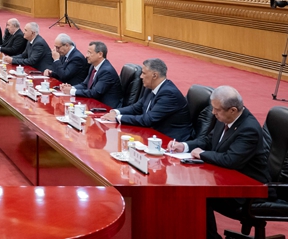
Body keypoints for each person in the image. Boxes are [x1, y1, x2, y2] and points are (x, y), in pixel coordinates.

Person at [167, 86, 271, 239]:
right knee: (186, 189)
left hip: (248, 190)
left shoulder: (249, 129)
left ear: (233, 110)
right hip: (226, 180)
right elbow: (208, 140)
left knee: (197, 195)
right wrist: (184, 146)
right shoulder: (225, 118)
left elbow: (230, 160)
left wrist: (202, 154)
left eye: (217, 110)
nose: (213, 113)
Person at [101, 58, 193, 140]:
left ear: (154, 75)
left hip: (171, 140)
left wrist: (118, 118)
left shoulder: (169, 94)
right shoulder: (150, 87)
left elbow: (148, 120)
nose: (141, 76)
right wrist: (116, 112)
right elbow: (136, 108)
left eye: (144, 73)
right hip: (153, 135)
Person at [60, 41, 123, 108]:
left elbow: (95, 93)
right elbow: (85, 85)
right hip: (95, 104)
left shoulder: (106, 71)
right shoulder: (93, 66)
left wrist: (71, 91)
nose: (86, 56)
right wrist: (71, 88)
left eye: (89, 53)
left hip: (107, 108)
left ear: (100, 54)